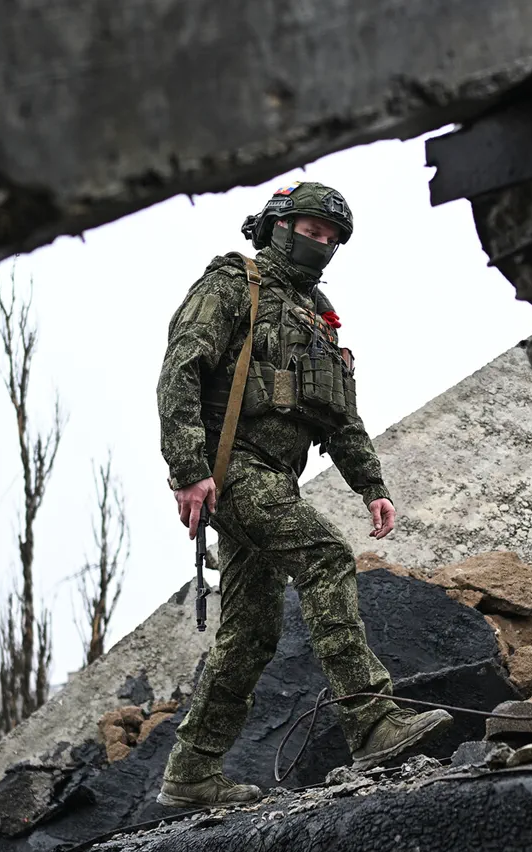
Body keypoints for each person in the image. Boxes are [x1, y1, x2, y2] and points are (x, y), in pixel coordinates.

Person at [154, 180, 451, 808]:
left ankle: (191, 773)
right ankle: (371, 721)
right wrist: (188, 468)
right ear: (277, 227)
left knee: (251, 633)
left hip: (274, 477)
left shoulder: (318, 316)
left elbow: (341, 417)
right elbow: (181, 369)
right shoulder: (233, 285)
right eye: (311, 231)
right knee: (325, 556)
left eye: (330, 238)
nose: (320, 244)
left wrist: (371, 486)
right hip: (233, 468)